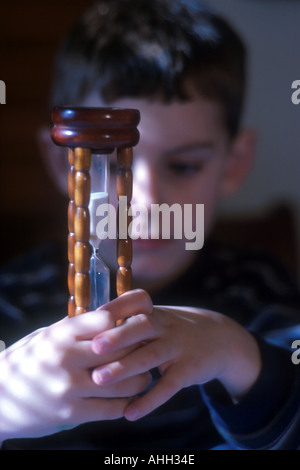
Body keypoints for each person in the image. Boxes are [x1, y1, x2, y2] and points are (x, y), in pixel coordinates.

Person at [1, 0, 300, 450]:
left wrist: (236, 351)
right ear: (64, 164)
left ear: (234, 163)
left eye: (182, 166)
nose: (147, 201)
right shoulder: (18, 294)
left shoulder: (257, 288)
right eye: (115, 167)